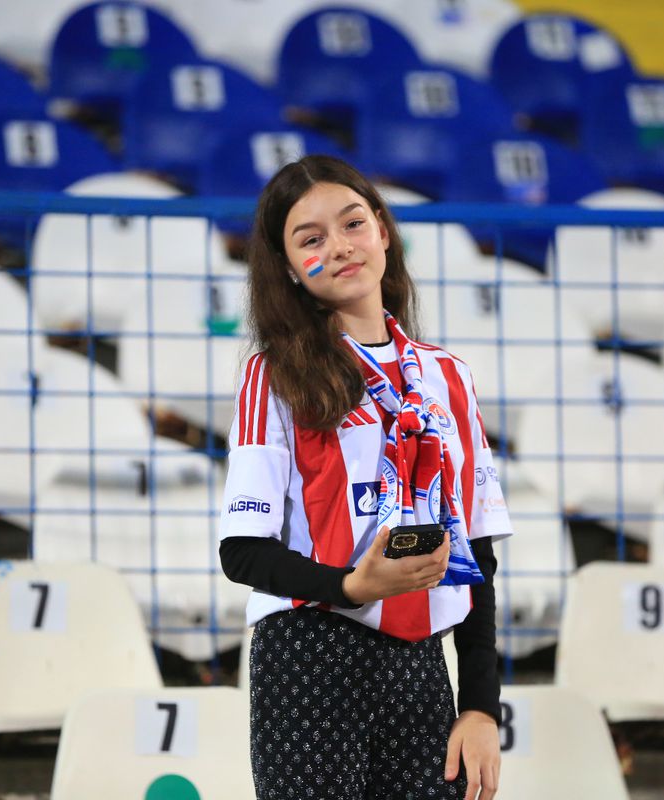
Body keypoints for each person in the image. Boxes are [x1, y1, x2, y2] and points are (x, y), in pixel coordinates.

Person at [219, 155, 512, 800]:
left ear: (382, 230)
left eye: (353, 222)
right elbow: (242, 552)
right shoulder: (272, 377)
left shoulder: (448, 378)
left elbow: (478, 555)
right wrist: (352, 585)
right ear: (290, 269)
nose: (341, 246)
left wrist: (481, 706)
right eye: (311, 239)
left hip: (420, 662)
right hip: (307, 657)